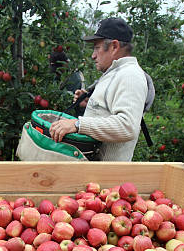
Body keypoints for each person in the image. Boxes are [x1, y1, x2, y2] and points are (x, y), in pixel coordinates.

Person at [49, 17, 155, 161]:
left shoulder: (130, 75)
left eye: (97, 48)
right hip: (94, 172)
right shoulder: (114, 73)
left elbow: (127, 126)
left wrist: (78, 124)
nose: (93, 55)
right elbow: (109, 112)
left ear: (114, 47)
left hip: (107, 177)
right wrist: (91, 104)